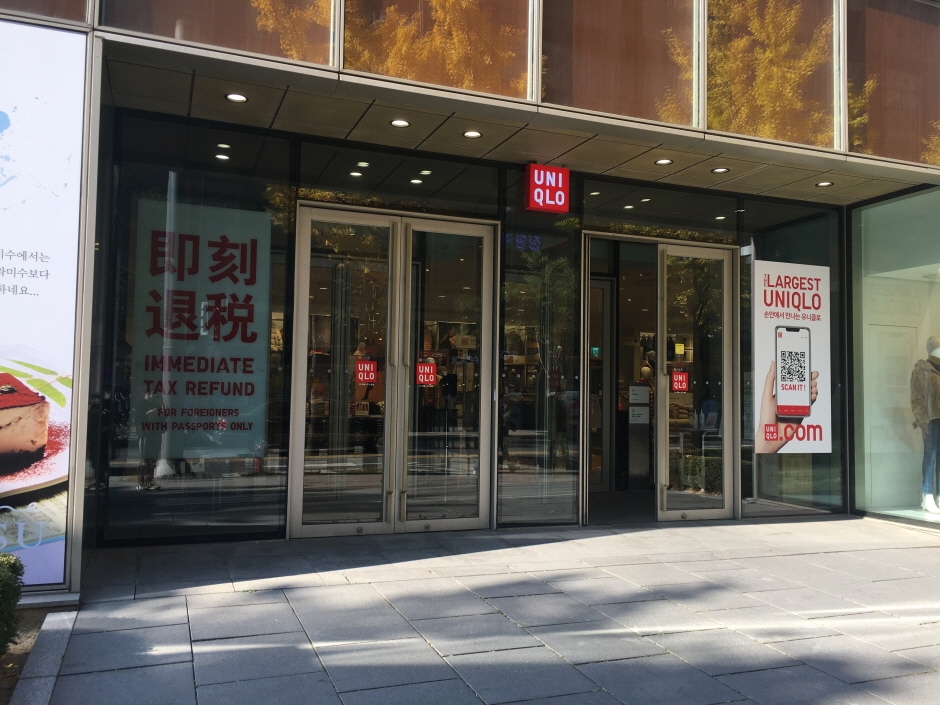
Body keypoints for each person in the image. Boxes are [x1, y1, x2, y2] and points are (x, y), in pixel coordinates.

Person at [911, 336, 940, 513]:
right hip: (931, 420)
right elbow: (916, 398)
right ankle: (927, 495)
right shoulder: (922, 370)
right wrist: (922, 420)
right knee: (930, 456)